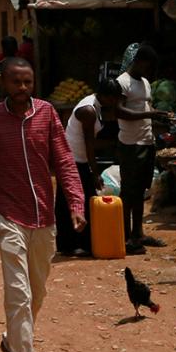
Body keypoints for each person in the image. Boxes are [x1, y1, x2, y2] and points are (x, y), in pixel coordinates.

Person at [0, 57, 85, 352]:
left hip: (44, 217)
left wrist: (77, 204)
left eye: (27, 82)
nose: (22, 88)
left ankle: (11, 340)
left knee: (37, 291)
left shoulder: (47, 114)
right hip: (9, 215)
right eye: (15, 82)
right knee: (18, 294)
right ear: (2, 84)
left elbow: (65, 161)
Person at [55, 79, 124, 256]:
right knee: (79, 201)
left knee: (74, 200)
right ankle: (75, 244)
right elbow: (89, 145)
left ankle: (72, 243)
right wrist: (95, 172)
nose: (115, 102)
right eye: (114, 98)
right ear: (106, 96)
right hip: (73, 160)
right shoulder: (88, 110)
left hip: (77, 158)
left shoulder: (95, 105)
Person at [116, 45, 172, 255]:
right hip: (130, 144)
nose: (149, 71)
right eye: (147, 66)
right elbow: (119, 111)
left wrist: (159, 114)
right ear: (138, 61)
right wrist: (149, 116)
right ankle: (123, 236)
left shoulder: (145, 83)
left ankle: (137, 233)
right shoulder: (123, 82)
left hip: (146, 142)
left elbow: (144, 109)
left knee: (139, 191)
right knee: (128, 192)